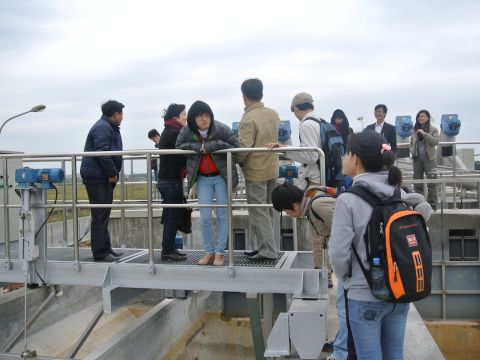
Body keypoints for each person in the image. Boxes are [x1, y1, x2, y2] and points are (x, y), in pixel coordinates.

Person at [328, 131, 412, 359]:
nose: (344, 159)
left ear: (355, 159)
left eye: (346, 153)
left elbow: (337, 253)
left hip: (365, 295)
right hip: (399, 291)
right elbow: (424, 211)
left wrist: (347, 278)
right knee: (395, 354)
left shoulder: (348, 199)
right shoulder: (399, 192)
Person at [271, 182, 349, 360]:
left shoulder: (317, 205)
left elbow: (349, 227)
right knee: (343, 307)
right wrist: (322, 272)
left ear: (294, 205)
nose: (290, 215)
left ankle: (342, 354)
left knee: (344, 309)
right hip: (346, 265)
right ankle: (341, 345)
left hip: (352, 265)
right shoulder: (310, 209)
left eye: (287, 211)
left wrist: (343, 265)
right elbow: (318, 242)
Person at [176, 101, 239, 266]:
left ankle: (220, 253)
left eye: (207, 115)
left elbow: (237, 149)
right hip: (203, 179)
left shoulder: (222, 129)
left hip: (221, 177)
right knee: (204, 217)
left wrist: (211, 146)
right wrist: (197, 147)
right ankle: (209, 251)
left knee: (222, 215)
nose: (204, 119)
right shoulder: (186, 131)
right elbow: (178, 147)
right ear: (192, 119)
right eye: (199, 116)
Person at [237, 78, 281, 261]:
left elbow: (243, 149)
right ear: (261, 93)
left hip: (256, 172)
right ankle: (266, 247)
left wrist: (234, 160)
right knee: (270, 211)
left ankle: (268, 250)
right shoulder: (273, 113)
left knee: (258, 212)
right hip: (272, 168)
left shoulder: (248, 119)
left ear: (244, 97)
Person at [80, 100, 125, 262]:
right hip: (97, 177)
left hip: (100, 176)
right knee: (100, 214)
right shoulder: (102, 127)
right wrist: (112, 173)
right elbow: (102, 153)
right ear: (115, 114)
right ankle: (100, 253)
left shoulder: (107, 126)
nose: (122, 117)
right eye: (121, 114)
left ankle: (106, 248)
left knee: (103, 213)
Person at [266, 92, 321, 190]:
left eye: (292, 110)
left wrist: (285, 150)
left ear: (295, 107)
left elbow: (310, 156)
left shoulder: (306, 125)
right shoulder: (318, 121)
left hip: (313, 179)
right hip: (321, 174)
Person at [157, 104, 188, 261]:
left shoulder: (167, 130)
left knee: (170, 216)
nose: (186, 117)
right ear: (176, 116)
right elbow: (181, 158)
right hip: (171, 181)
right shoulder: (175, 132)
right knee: (173, 216)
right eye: (184, 114)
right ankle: (167, 250)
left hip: (165, 179)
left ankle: (168, 248)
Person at [410, 110, 440, 210]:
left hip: (429, 159)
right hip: (417, 159)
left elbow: (435, 142)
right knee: (418, 183)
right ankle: (420, 205)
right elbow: (411, 143)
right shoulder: (414, 130)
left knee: (432, 183)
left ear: (427, 118)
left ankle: (432, 206)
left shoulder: (433, 129)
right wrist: (412, 151)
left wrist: (424, 134)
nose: (421, 118)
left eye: (423, 116)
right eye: (419, 116)